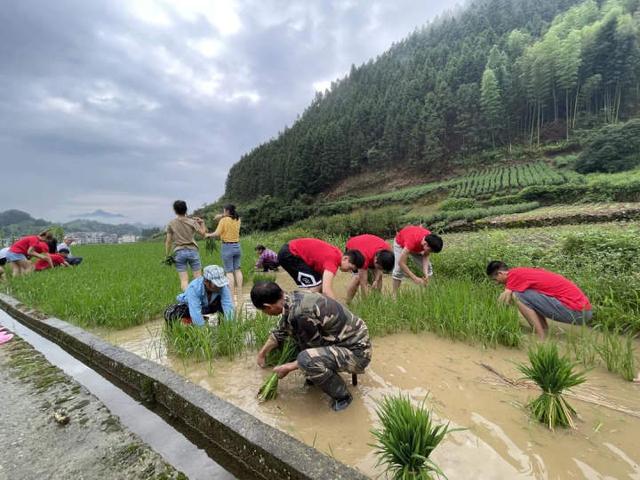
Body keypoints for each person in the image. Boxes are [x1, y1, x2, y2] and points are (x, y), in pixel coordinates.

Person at [252, 281, 371, 411]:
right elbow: (280, 331)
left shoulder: (300, 314)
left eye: (263, 311)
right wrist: (262, 354)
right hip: (345, 341)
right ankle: (316, 380)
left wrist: (287, 367)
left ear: (268, 306)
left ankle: (343, 396)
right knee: (299, 349)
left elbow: (310, 353)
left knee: (305, 359)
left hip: (358, 352)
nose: (266, 313)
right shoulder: (292, 299)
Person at [487, 261, 593, 340]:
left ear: (500, 273)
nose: (496, 283)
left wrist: (491, 318)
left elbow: (504, 299)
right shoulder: (525, 272)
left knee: (517, 295)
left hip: (577, 312)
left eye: (495, 279)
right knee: (524, 294)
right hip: (584, 311)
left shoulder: (514, 274)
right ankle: (543, 328)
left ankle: (541, 336)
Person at [278, 238, 364, 300]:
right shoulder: (333, 260)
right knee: (315, 288)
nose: (349, 271)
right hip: (290, 253)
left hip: (292, 251)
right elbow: (326, 290)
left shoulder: (337, 254)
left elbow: (324, 287)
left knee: (318, 285)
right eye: (350, 268)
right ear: (345, 258)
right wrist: (339, 310)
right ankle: (291, 304)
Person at [165, 265, 235, 326]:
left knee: (223, 306)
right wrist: (203, 333)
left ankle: (222, 327)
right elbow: (195, 312)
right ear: (206, 281)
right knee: (171, 313)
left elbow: (228, 306)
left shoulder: (222, 287)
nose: (219, 287)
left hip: (209, 306)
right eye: (216, 284)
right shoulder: (194, 288)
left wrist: (229, 327)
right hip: (189, 307)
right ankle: (188, 323)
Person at [166, 200, 207, 291]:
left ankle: (188, 300)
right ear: (186, 209)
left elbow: (168, 241)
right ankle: (199, 301)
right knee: (198, 278)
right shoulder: (192, 222)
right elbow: (203, 234)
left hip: (178, 252)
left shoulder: (171, 223)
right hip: (192, 251)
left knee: (184, 280)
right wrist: (202, 223)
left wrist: (167, 255)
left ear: (175, 210)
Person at [206, 204, 242, 302]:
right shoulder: (238, 219)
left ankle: (231, 295)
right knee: (237, 270)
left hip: (227, 247)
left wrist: (208, 234)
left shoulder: (224, 220)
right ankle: (240, 293)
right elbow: (229, 217)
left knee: (229, 272)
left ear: (226, 211)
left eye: (224, 211)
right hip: (237, 246)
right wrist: (222, 215)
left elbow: (217, 233)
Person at [392, 225, 443, 294]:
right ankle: (394, 295)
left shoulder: (430, 239)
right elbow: (401, 263)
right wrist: (414, 278)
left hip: (415, 246)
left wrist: (426, 274)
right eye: (430, 251)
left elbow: (426, 255)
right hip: (400, 244)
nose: (430, 252)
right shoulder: (412, 241)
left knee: (428, 268)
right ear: (425, 244)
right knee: (398, 270)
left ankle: (429, 290)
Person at [344, 234, 395, 302]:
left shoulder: (387, 251)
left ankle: (376, 302)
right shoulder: (362, 258)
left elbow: (380, 269)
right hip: (354, 247)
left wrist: (376, 280)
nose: (380, 270)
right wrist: (366, 305)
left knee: (379, 278)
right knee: (358, 279)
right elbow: (363, 283)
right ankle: (348, 303)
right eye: (379, 267)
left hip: (369, 246)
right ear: (375, 260)